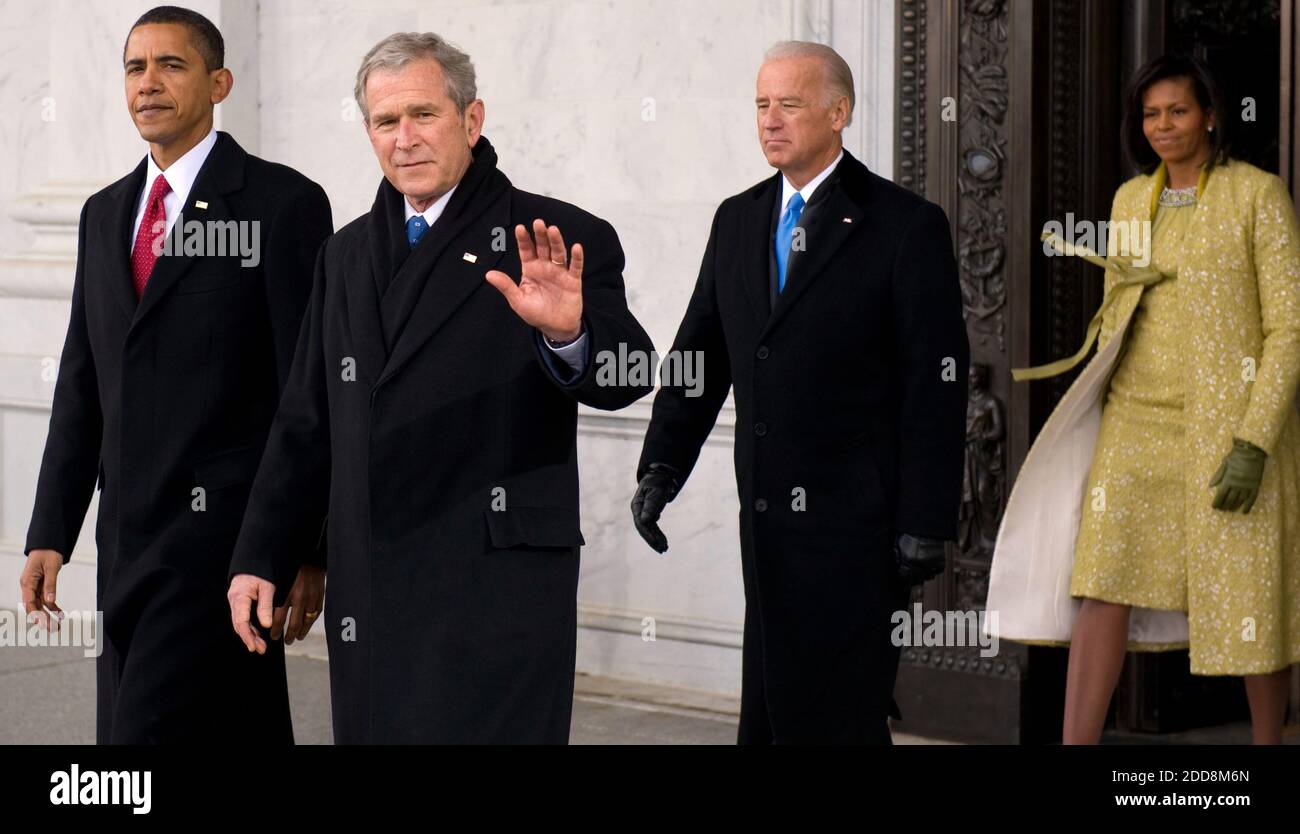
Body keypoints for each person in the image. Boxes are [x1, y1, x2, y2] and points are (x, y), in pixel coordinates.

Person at [225, 32, 655, 744]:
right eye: (385, 122)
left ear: (472, 119)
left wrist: (568, 335)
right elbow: (306, 420)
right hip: (373, 585)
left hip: (493, 587)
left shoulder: (554, 234)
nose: (404, 139)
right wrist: (260, 555)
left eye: (423, 114)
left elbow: (629, 376)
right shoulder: (346, 253)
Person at [631, 41, 969, 744]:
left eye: (789, 103)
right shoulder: (737, 219)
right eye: (761, 104)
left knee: (840, 715)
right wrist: (661, 465)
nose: (770, 120)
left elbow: (935, 385)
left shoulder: (906, 225)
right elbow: (699, 356)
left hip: (862, 527)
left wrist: (926, 518)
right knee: (771, 711)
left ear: (839, 112)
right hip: (767, 520)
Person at [20, 5, 332, 743]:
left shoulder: (281, 203)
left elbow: (308, 392)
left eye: (172, 65)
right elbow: (82, 383)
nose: (148, 83)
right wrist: (50, 531)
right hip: (124, 544)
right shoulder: (103, 214)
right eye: (135, 67)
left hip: (226, 547)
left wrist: (307, 549)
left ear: (219, 82)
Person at [988, 54, 1300, 744]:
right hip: (1136, 417)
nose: (1162, 125)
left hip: (1229, 425)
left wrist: (1255, 439)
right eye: (1150, 114)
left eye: (1178, 111)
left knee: (1249, 590)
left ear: (1211, 115)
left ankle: (1268, 746)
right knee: (1102, 578)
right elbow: (1118, 314)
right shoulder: (1133, 201)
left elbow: (1290, 326)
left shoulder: (1258, 195)